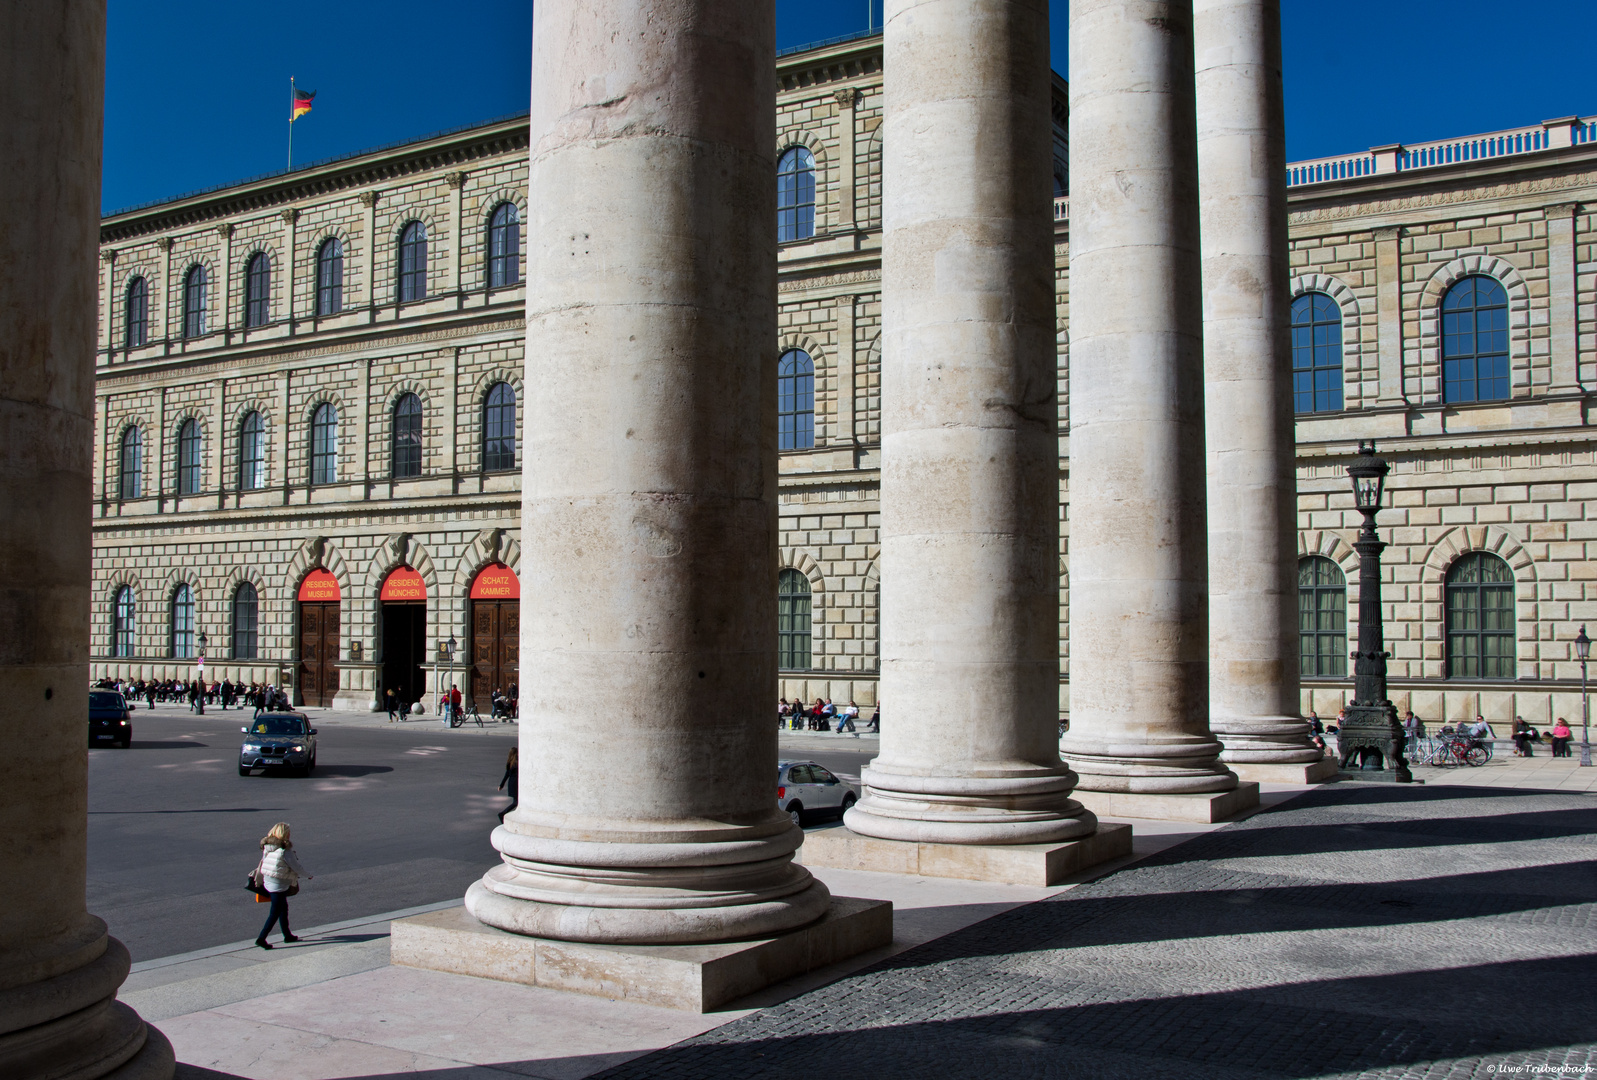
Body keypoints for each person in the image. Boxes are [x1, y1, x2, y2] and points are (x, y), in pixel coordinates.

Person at [254, 822, 312, 950]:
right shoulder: (285, 849)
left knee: (283, 909)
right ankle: (261, 938)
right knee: (275, 912)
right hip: (279, 884)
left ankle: (287, 935)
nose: (290, 834)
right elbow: (295, 866)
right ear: (284, 833)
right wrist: (307, 875)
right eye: (288, 832)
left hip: (269, 881)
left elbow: (264, 862)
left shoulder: (268, 846)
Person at [498, 747, 519, 823]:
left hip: (512, 783)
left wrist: (501, 785)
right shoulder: (517, 763)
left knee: (516, 802)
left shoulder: (510, 762)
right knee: (516, 802)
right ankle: (503, 813)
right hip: (515, 784)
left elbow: (506, 774)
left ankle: (516, 815)